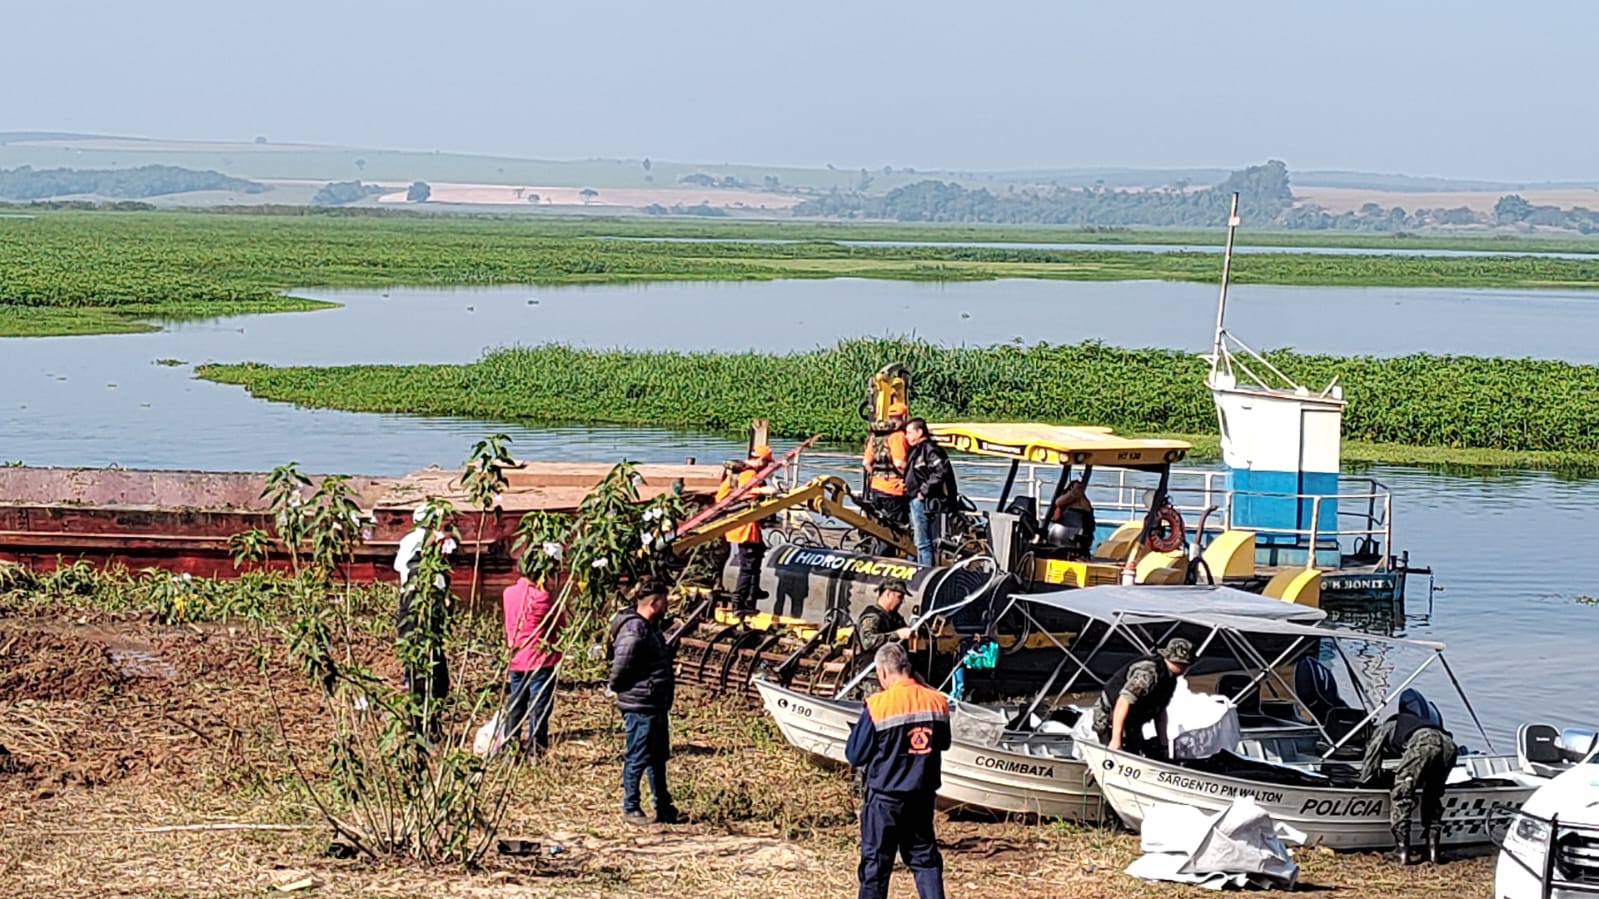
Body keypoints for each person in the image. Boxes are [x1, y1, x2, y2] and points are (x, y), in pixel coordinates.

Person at [845, 642, 950, 899]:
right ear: (909, 669)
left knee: (876, 868)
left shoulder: (878, 705)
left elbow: (855, 755)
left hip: (884, 801)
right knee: (925, 862)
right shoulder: (937, 701)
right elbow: (944, 743)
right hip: (921, 798)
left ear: (882, 672)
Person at [608, 582, 680, 826]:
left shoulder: (649, 628)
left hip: (654, 703)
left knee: (657, 757)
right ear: (654, 603)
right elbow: (621, 667)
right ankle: (631, 806)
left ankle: (663, 805)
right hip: (641, 704)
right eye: (665, 600)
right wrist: (621, 689)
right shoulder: (635, 631)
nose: (667, 605)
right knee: (638, 755)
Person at [1360, 706, 1457, 865]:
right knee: (1432, 795)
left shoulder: (1384, 728)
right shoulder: (1411, 724)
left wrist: (1365, 782)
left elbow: (1371, 758)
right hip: (1449, 744)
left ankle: (1402, 852)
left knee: (1402, 795)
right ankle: (1433, 852)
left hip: (1423, 743)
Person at [500, 564, 566, 758]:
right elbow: (559, 624)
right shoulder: (542, 597)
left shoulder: (508, 593)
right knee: (539, 706)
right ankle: (535, 749)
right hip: (540, 659)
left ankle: (510, 747)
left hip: (516, 656)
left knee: (516, 704)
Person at [1091, 638, 1193, 758]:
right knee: (1117, 758)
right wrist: (1115, 740)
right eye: (1184, 664)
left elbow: (1160, 712)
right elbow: (1123, 701)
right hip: (1110, 717)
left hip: (1132, 722)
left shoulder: (1170, 679)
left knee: (1136, 754)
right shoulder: (1148, 672)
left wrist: (1163, 745)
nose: (1186, 668)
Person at [716, 444, 777, 612]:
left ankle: (753, 592)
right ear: (761, 460)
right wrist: (764, 490)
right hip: (745, 525)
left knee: (757, 552)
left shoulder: (739, 472)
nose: (766, 466)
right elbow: (744, 493)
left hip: (743, 524)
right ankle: (739, 602)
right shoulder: (749, 473)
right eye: (766, 462)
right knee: (748, 565)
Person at [903, 418, 957, 566]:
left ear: (919, 432)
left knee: (923, 542)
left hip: (924, 501)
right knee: (918, 541)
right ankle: (918, 568)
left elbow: (941, 472)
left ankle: (925, 572)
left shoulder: (930, 450)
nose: (906, 436)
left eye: (909, 433)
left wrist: (923, 491)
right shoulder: (917, 450)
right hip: (915, 499)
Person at [862, 401, 910, 532]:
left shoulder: (875, 436)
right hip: (894, 490)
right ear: (905, 417)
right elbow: (899, 463)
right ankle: (888, 553)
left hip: (876, 488)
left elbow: (866, 462)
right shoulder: (898, 436)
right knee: (895, 531)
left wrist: (877, 475)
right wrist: (912, 477)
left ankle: (879, 550)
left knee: (881, 528)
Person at [1046, 480, 1097, 557]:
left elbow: (1059, 502)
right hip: (1058, 534)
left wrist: (1076, 493)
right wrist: (1073, 493)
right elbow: (1059, 502)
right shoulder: (1065, 502)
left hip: (1070, 536)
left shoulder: (1083, 504)